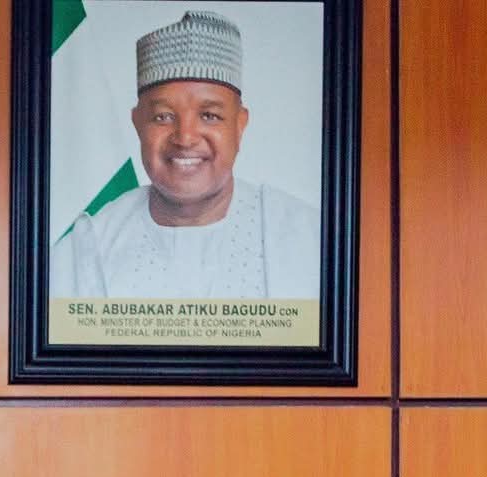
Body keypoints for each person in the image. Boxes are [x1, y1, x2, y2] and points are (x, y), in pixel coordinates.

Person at [51, 9, 318, 299]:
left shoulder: (304, 236)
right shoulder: (89, 247)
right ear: (138, 123)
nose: (185, 137)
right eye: (163, 117)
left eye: (210, 116)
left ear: (240, 125)